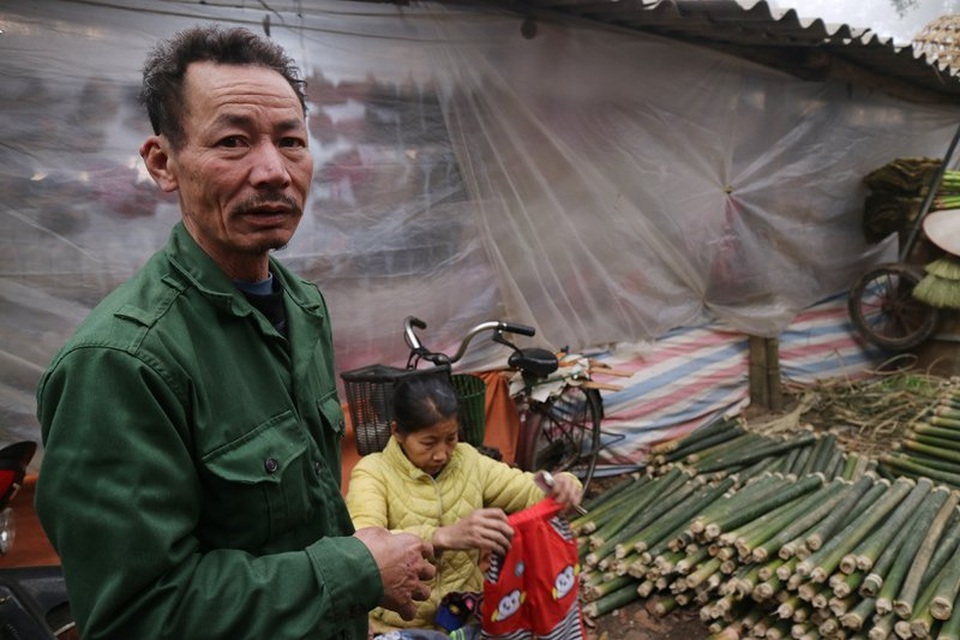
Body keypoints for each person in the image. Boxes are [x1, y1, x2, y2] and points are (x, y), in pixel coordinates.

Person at [34, 25, 435, 640]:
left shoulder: (302, 305)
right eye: (232, 142)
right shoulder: (118, 362)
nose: (273, 170)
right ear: (162, 163)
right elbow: (137, 616)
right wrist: (354, 570)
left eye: (291, 141)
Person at [345, 374, 583, 637]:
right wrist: (441, 537)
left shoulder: (468, 461)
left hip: (465, 616)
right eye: (428, 443)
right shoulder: (373, 472)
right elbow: (363, 547)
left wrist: (564, 485)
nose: (441, 454)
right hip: (398, 626)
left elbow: (527, 491)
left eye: (451, 438)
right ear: (397, 433)